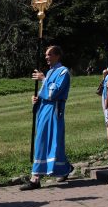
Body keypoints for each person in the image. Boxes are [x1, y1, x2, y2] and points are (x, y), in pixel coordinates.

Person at [20, 45, 73, 190]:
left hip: (54, 111)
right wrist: (36, 100)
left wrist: (43, 79)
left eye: (49, 54)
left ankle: (35, 178)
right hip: (44, 110)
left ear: (57, 56)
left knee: (52, 142)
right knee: (42, 141)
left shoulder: (63, 72)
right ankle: (64, 168)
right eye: (45, 55)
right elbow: (44, 94)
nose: (46, 57)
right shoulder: (50, 72)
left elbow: (53, 92)